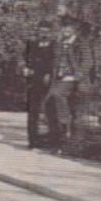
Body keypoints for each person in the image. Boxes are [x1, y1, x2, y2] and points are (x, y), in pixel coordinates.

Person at [39, 13, 90, 149]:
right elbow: (53, 61)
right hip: (59, 79)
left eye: (69, 28)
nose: (66, 30)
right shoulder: (59, 44)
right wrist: (49, 74)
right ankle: (57, 137)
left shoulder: (81, 43)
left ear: (74, 30)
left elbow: (87, 63)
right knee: (48, 103)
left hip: (75, 81)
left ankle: (64, 122)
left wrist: (75, 76)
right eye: (64, 27)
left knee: (57, 96)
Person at [22, 18, 56, 149]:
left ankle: (53, 142)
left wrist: (49, 74)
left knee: (50, 110)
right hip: (33, 80)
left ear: (50, 32)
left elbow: (55, 63)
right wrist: (24, 68)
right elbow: (24, 59)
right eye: (41, 31)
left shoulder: (54, 46)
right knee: (33, 111)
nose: (44, 34)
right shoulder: (32, 44)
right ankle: (32, 141)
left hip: (48, 80)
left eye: (46, 31)